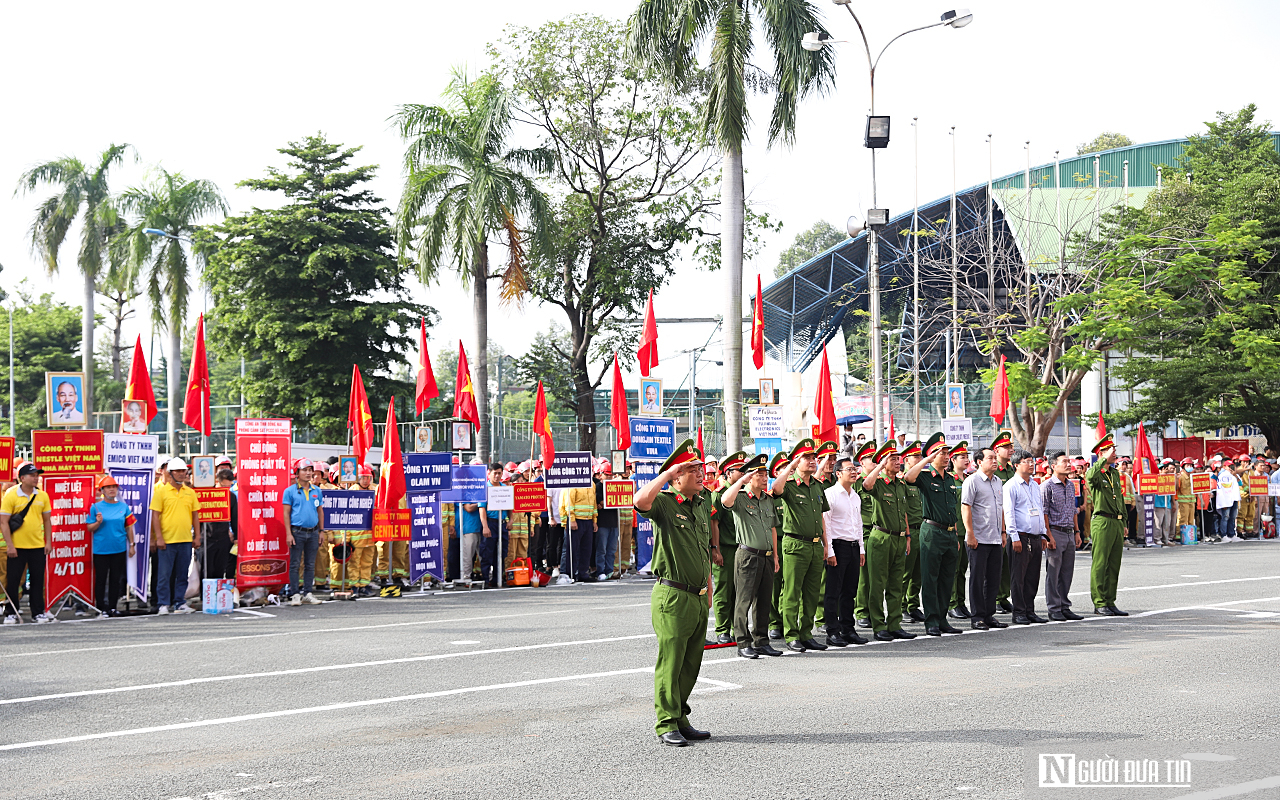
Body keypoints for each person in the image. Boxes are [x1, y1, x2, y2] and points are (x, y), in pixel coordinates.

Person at [634, 438, 713, 747]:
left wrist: (708, 588)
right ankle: (666, 722)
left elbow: (703, 549)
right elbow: (641, 501)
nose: (700, 474)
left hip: (697, 595)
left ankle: (680, 716)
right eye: (691, 470)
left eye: (700, 469)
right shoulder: (666, 503)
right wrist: (666, 475)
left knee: (690, 663)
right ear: (676, 476)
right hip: (673, 595)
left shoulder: (701, 504)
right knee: (671, 661)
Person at [770, 438, 831, 652]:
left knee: (812, 592)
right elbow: (775, 489)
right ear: (797, 461)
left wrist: (825, 544)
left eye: (813, 457)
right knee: (792, 591)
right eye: (807, 457)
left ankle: (806, 633)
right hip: (795, 544)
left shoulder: (816, 485)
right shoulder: (789, 484)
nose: (813, 461)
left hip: (815, 545)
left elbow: (822, 516)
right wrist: (790, 467)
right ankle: (791, 634)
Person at [720, 453, 783, 659]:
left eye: (766, 474)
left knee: (764, 601)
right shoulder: (740, 498)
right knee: (743, 600)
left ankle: (761, 641)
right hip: (747, 555)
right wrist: (740, 481)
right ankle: (743, 642)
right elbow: (724, 500)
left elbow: (773, 528)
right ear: (749, 476)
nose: (765, 478)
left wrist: (774, 556)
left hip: (766, 556)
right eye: (760, 474)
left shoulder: (767, 500)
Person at [903, 433, 964, 636]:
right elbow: (908, 477)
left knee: (947, 579)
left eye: (948, 453)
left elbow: (952, 508)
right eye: (942, 453)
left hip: (949, 533)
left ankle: (942, 618)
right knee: (930, 578)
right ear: (931, 456)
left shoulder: (950, 479)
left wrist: (955, 533)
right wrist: (927, 461)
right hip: (931, 531)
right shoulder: (926, 477)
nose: (947, 456)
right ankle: (931, 621)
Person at [860, 440, 915, 642]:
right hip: (881, 538)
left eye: (898, 458)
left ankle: (895, 624)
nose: (898, 462)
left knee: (896, 585)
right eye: (892, 459)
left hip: (900, 539)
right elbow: (866, 485)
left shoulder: (900, 484)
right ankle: (879, 625)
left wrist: (907, 536)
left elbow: (905, 513)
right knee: (877, 584)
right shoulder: (878, 482)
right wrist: (880, 466)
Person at [821, 455, 870, 647]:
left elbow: (858, 524)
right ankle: (832, 631)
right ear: (838, 473)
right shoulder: (830, 494)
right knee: (833, 591)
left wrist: (861, 548)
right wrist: (830, 551)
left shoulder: (855, 496)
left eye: (855, 469)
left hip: (853, 547)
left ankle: (848, 629)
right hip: (838, 547)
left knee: (850, 591)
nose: (854, 472)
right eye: (849, 469)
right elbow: (827, 525)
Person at [2, 463, 55, 623]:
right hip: (17, 547)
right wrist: (10, 545)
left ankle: (38, 612)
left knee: (38, 581)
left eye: (37, 475)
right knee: (13, 580)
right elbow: (3, 522)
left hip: (38, 546)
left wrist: (48, 542)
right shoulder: (11, 495)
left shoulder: (42, 495)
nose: (36, 478)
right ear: (22, 478)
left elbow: (47, 521)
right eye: (33, 475)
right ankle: (11, 612)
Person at [961, 447, 1007, 631]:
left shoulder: (998, 481)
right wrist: (970, 533)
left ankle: (989, 615)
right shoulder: (972, 481)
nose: (995, 461)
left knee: (993, 578)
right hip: (978, 538)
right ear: (979, 461)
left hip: (995, 537)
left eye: (995, 458)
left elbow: (1000, 508)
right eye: (990, 458)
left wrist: (1003, 532)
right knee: (977, 578)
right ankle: (977, 616)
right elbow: (966, 508)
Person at [149, 457, 202, 615]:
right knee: (164, 575)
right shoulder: (160, 492)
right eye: (177, 471)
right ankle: (163, 604)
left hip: (185, 539)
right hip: (167, 540)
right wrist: (158, 537)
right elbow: (155, 516)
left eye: (183, 471)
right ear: (170, 473)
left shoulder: (190, 493)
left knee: (182, 574)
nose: (181, 474)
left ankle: (179, 602)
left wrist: (197, 536)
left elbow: (195, 516)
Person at [1002, 452, 1050, 625]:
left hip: (1036, 537)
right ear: (1016, 465)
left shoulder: (1035, 485)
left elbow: (1040, 509)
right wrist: (1013, 536)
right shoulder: (1010, 486)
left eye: (1032, 461)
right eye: (1027, 462)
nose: (1031, 464)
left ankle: (1030, 610)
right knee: (1018, 577)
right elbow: (1009, 513)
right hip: (1020, 537)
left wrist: (1043, 534)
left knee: (1032, 577)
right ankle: (1019, 612)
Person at [1086, 434, 1129, 616]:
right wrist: (1101, 459)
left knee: (1114, 563)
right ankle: (1099, 601)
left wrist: (1124, 522)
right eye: (1111, 450)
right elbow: (1089, 476)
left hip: (1116, 521)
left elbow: (1119, 499)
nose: (1115, 454)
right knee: (1100, 563)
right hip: (1102, 521)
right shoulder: (1096, 473)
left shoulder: (1114, 474)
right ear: (1101, 453)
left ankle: (1110, 601)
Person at [86, 475, 137, 617]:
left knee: (116, 579)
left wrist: (132, 545)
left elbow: (129, 527)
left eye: (114, 487)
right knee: (101, 579)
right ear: (102, 490)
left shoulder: (123, 506)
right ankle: (101, 607)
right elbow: (90, 528)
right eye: (108, 487)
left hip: (119, 548)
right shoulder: (95, 507)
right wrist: (97, 522)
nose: (112, 489)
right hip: (101, 549)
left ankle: (113, 607)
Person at [1041, 451, 1084, 621]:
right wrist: (1048, 536)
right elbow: (1043, 513)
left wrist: (1077, 531)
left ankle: (1064, 605)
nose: (1068, 464)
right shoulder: (1047, 486)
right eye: (1064, 461)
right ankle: (1054, 608)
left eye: (1069, 461)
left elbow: (1073, 510)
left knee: (1067, 572)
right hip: (1055, 531)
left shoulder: (1071, 485)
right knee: (1053, 572)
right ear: (1053, 466)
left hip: (1069, 532)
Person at [709, 451, 746, 644]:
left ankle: (737, 627)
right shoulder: (719, 495)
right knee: (724, 591)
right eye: (739, 470)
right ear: (728, 473)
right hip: (727, 548)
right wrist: (715, 549)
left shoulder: (745, 493)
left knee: (740, 592)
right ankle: (722, 629)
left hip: (744, 549)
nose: (743, 473)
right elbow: (715, 523)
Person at [282, 458, 324, 606]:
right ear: (297, 473)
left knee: (310, 564)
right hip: (296, 532)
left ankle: (308, 592)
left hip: (313, 532)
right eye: (304, 470)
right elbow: (286, 514)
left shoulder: (317, 491)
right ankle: (294, 594)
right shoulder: (290, 491)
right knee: (294, 564)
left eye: (310, 470)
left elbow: (320, 511)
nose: (308, 473)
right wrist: (288, 533)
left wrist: (321, 531)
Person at [899, 440, 925, 624]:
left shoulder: (922, 481)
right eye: (915, 457)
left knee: (919, 572)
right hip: (910, 531)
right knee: (905, 573)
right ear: (906, 460)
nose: (919, 459)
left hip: (924, 530)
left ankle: (913, 605)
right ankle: (900, 607)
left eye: (920, 456)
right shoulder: (902, 482)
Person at [765, 450, 791, 640]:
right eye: (782, 469)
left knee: (790, 585)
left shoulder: (797, 490)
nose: (787, 472)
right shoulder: (771, 496)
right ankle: (775, 622)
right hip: (777, 542)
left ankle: (789, 620)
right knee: (775, 585)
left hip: (793, 542)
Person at [990, 431, 1016, 614]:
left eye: (1010, 446)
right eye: (1006, 447)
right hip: (996, 522)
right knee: (996, 563)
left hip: (1011, 522)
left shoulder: (1012, 470)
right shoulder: (994, 471)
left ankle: (1003, 597)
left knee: (1008, 562)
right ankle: (995, 598)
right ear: (996, 450)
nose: (1010, 449)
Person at [947, 441, 974, 621]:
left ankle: (961, 602)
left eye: (967, 457)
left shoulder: (969, 479)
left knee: (963, 569)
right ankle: (952, 603)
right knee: (953, 569)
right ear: (953, 459)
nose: (966, 460)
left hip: (967, 530)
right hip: (954, 530)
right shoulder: (949, 479)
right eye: (962, 457)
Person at [559, 471, 597, 583]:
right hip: (576, 521)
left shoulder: (591, 484)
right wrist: (571, 520)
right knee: (572, 549)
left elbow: (593, 503)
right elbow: (568, 503)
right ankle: (568, 573)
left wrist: (594, 520)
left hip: (588, 520)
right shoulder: (573, 483)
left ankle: (582, 573)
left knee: (586, 549)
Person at [203, 468, 238, 580]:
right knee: (207, 569)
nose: (226, 489)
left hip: (223, 538)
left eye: (228, 487)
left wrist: (236, 536)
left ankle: (217, 594)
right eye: (224, 486)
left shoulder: (231, 497)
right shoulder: (207, 494)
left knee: (220, 568)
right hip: (207, 538)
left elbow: (234, 518)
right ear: (217, 481)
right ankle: (205, 595)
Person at [593, 459, 620, 582]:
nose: (609, 477)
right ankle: (600, 571)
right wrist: (603, 503)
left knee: (611, 549)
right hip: (602, 523)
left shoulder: (615, 486)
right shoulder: (598, 486)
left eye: (610, 475)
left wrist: (604, 504)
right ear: (600, 475)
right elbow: (600, 502)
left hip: (614, 522)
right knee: (602, 549)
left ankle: (609, 570)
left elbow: (606, 503)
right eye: (606, 474)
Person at [1215, 457, 1242, 543]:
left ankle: (1232, 534)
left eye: (1232, 466)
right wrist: (1223, 502)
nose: (1231, 468)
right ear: (1225, 467)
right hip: (1226, 500)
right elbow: (1222, 489)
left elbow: (1240, 483)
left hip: (1233, 498)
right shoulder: (1222, 475)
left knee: (1233, 517)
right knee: (1225, 517)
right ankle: (1224, 535)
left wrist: (1234, 475)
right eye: (1229, 466)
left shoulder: (1233, 475)